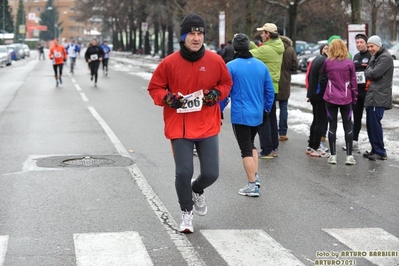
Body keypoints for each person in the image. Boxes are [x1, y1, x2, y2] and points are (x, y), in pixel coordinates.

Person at [147, 13, 232, 233]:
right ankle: (186, 213)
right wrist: (167, 98)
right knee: (183, 172)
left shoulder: (215, 60)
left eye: (200, 33)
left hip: (207, 125)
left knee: (211, 173)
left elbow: (226, 83)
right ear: (183, 37)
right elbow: (155, 88)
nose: (196, 38)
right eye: (192, 33)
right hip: (180, 126)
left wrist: (216, 93)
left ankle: (197, 189)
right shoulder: (169, 63)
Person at [226, 33, 274, 197]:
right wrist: (266, 109)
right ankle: (255, 176)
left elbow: (225, 92)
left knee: (245, 149)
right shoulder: (261, 65)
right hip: (258, 113)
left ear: (235, 48)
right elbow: (269, 91)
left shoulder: (231, 66)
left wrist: (218, 109)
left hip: (241, 114)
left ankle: (252, 185)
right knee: (252, 145)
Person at [249, 23, 284, 158]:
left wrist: (244, 43)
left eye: (263, 33)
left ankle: (267, 149)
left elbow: (250, 53)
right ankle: (274, 147)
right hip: (273, 87)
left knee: (263, 118)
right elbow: (258, 50)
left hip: (265, 87)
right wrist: (251, 43)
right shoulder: (276, 45)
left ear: (268, 34)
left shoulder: (267, 50)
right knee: (271, 118)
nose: (261, 35)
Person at [322, 39, 358, 165]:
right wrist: (355, 98)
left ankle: (333, 156)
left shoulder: (328, 62)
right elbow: (354, 82)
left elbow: (323, 77)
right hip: (346, 98)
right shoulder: (349, 63)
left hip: (330, 98)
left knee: (332, 125)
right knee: (348, 125)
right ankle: (349, 156)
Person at [363, 35, 393, 161]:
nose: (370, 49)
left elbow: (373, 74)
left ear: (379, 45)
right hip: (373, 96)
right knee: (370, 125)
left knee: (375, 125)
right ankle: (374, 149)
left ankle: (380, 151)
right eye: (368, 46)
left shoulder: (385, 57)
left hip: (379, 96)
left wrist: (369, 70)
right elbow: (368, 72)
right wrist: (369, 70)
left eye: (372, 46)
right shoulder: (375, 57)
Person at [342, 34, 371, 152]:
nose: (359, 44)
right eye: (357, 42)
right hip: (357, 91)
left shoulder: (371, 56)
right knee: (356, 117)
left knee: (370, 119)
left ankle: (373, 144)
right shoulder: (356, 56)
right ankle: (354, 142)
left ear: (366, 43)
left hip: (368, 91)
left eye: (361, 42)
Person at [306, 44, 330, 158]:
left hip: (313, 94)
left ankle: (311, 146)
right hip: (320, 96)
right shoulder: (325, 61)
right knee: (320, 121)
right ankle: (315, 147)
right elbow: (323, 79)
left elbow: (310, 75)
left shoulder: (317, 58)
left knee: (316, 120)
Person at [276, 28, 298, 141]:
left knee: (271, 108)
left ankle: (272, 131)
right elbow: (295, 66)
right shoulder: (290, 49)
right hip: (285, 81)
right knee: (283, 107)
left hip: (272, 81)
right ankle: (282, 132)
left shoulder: (271, 48)